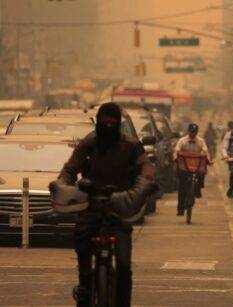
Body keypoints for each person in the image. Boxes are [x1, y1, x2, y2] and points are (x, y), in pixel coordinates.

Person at [56, 102, 155, 307]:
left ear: (118, 122)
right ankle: (84, 288)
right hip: (90, 208)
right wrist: (62, 186)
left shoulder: (131, 145)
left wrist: (143, 185)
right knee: (82, 244)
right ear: (99, 120)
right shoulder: (88, 144)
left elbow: (146, 167)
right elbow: (69, 169)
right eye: (104, 119)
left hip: (120, 209)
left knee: (124, 266)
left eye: (113, 119)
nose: (108, 123)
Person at [173, 123, 210, 216]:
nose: (193, 134)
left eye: (194, 132)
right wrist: (175, 158)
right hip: (184, 167)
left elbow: (205, 151)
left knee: (202, 173)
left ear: (197, 132)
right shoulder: (182, 141)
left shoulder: (201, 141)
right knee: (182, 187)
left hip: (196, 167)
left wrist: (208, 159)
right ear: (188, 131)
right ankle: (180, 209)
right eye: (191, 132)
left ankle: (197, 189)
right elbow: (176, 150)